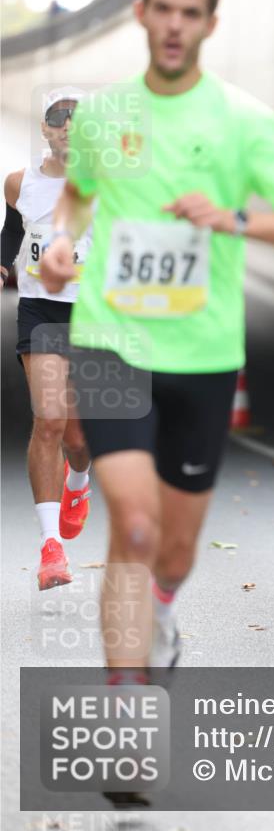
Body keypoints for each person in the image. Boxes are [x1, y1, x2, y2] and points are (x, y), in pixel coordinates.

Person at [40, 0, 274, 678]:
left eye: (191, 13)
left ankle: (163, 609)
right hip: (111, 343)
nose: (175, 25)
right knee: (134, 525)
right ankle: (126, 700)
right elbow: (78, 192)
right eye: (164, 9)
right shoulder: (103, 114)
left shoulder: (243, 120)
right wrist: (62, 239)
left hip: (203, 355)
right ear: (142, 13)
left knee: (172, 549)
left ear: (209, 23)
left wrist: (234, 220)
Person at [1, 89, 93, 591]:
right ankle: (50, 547)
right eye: (59, 119)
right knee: (50, 421)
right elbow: (12, 231)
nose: (68, 129)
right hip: (41, 311)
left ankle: (78, 482)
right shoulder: (20, 182)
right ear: (45, 129)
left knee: (79, 440)